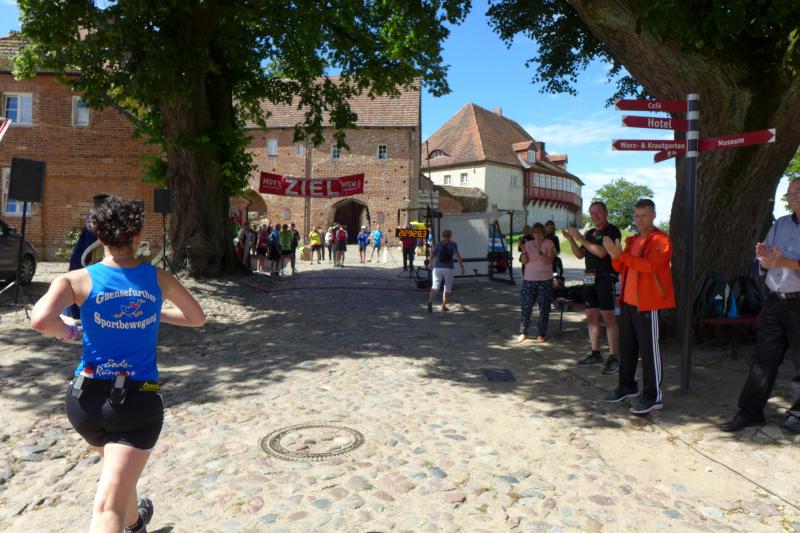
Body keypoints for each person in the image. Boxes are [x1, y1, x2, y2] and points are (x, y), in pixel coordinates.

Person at [30, 196, 205, 533]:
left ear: (99, 237)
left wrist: (67, 331)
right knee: (107, 506)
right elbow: (196, 317)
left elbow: (40, 319)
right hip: (136, 403)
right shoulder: (157, 278)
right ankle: (126, 520)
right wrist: (154, 311)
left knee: (118, 473)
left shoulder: (76, 280)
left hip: (85, 402)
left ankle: (135, 522)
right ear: (138, 237)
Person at [721, 179, 800, 433]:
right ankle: (750, 412)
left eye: (796, 192)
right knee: (763, 358)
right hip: (775, 300)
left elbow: (785, 261)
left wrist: (785, 262)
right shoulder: (781, 224)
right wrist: (763, 257)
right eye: (789, 193)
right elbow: (765, 261)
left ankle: (797, 415)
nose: (790, 197)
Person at [602, 199, 675, 415]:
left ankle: (654, 396)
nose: (639, 219)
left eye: (644, 215)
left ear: (653, 216)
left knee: (649, 351)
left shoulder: (661, 240)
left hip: (648, 304)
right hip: (627, 302)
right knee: (626, 347)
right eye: (636, 215)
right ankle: (627, 386)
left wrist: (621, 255)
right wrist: (615, 255)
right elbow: (620, 266)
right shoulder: (633, 239)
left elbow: (651, 266)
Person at [563, 201, 622, 374]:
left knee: (608, 316)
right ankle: (595, 353)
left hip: (606, 276)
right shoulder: (590, 233)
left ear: (606, 213)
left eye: (597, 212)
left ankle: (614, 356)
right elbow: (580, 255)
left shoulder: (612, 230)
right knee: (591, 315)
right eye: (591, 213)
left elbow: (602, 252)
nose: (594, 216)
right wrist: (572, 239)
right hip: (589, 275)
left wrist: (580, 238)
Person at [65, 193, 110, 319]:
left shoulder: (95, 216)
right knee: (79, 287)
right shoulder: (95, 218)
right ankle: (77, 316)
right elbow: (90, 245)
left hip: (82, 258)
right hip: (82, 259)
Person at [518, 223, 556, 343]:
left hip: (545, 280)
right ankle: (524, 332)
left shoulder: (549, 243)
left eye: (540, 232)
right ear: (532, 233)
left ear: (544, 233)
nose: (537, 234)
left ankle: (541, 333)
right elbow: (524, 261)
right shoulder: (528, 244)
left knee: (544, 308)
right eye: (535, 232)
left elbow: (549, 261)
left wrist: (541, 253)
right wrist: (523, 250)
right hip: (529, 279)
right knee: (526, 307)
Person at [427, 229, 465, 312]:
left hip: (437, 268)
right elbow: (457, 256)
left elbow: (432, 255)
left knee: (435, 286)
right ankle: (443, 306)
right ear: (450, 236)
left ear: (443, 235)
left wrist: (430, 263)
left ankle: (430, 302)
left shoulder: (438, 244)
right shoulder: (453, 244)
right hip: (448, 268)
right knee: (447, 287)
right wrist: (462, 267)